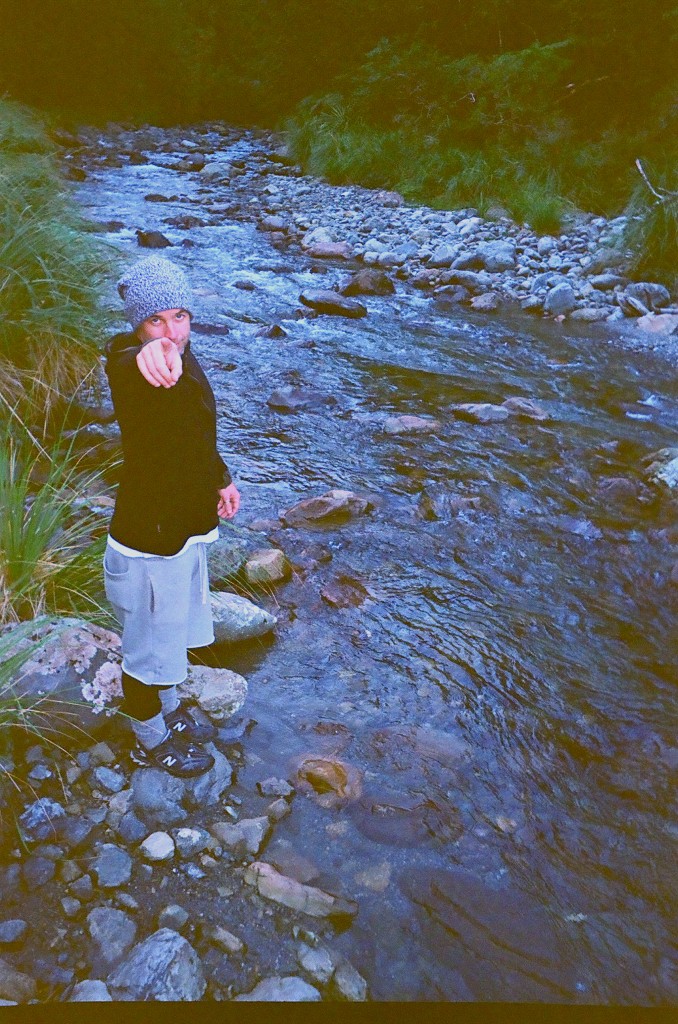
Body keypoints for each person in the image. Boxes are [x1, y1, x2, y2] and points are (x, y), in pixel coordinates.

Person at [104, 255, 240, 776]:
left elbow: (197, 433)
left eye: (178, 316)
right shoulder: (136, 368)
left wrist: (221, 479)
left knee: (171, 635)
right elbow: (121, 359)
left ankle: (166, 707)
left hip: (183, 534)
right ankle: (147, 736)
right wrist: (143, 350)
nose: (171, 332)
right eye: (154, 321)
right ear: (137, 327)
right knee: (146, 651)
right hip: (146, 544)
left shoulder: (189, 357)